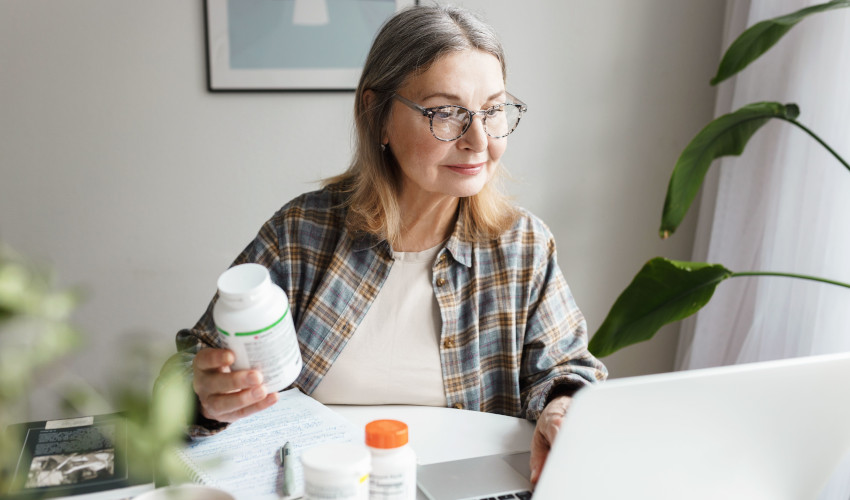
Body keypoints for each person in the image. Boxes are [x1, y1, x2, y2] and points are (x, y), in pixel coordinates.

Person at [162, 4, 607, 485]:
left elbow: (565, 370)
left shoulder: (523, 247)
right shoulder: (303, 233)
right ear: (377, 116)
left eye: (493, 110)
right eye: (446, 113)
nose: (479, 140)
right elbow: (186, 370)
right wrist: (203, 394)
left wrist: (562, 406)